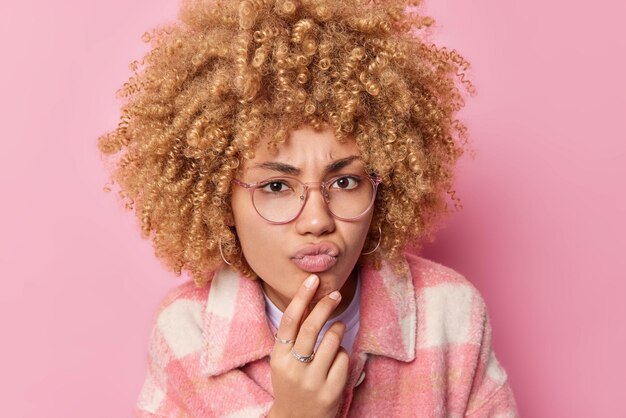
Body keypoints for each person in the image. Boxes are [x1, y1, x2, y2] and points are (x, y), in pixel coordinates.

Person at [98, 0, 519, 416]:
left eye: (345, 182)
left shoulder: (450, 313)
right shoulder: (185, 331)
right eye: (277, 185)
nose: (317, 220)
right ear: (220, 200)